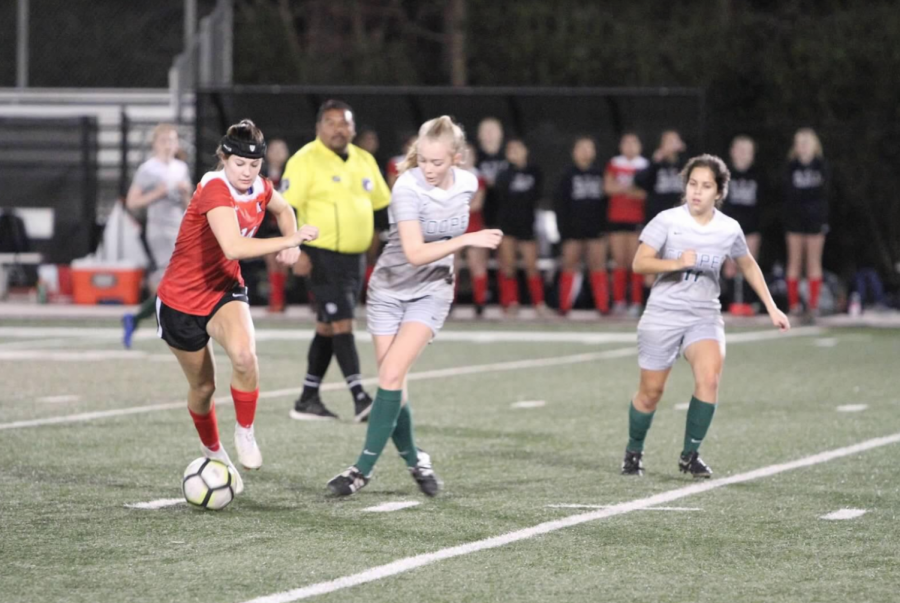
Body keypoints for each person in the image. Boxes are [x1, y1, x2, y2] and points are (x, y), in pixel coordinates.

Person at [326, 116, 503, 496]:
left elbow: (434, 255)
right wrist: (467, 240)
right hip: (388, 291)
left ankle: (361, 470)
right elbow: (415, 252)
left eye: (437, 162)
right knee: (395, 385)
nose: (429, 169)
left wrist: (463, 241)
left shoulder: (469, 183)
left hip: (432, 292)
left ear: (456, 158)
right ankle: (416, 460)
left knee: (390, 375)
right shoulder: (406, 187)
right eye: (423, 160)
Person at [155, 119, 319, 492]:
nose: (247, 173)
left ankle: (245, 431)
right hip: (180, 300)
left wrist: (291, 238)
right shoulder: (214, 188)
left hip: (224, 289)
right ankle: (212, 449)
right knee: (204, 388)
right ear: (224, 159)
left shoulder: (260, 186)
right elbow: (234, 247)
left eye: (254, 165)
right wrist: (287, 241)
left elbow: (283, 209)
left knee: (245, 357)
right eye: (239, 165)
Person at [620, 154, 789, 479]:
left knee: (709, 379)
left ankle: (690, 454)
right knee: (651, 392)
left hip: (704, 315)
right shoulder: (667, 220)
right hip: (663, 314)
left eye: (706, 186)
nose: (697, 191)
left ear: (719, 192)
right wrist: (675, 263)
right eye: (693, 184)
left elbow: (747, 263)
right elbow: (640, 263)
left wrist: (771, 307)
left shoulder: (728, 228)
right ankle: (634, 449)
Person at [282, 100, 391, 421]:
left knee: (328, 328)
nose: (338, 129)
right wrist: (295, 249)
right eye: (330, 122)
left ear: (353, 129)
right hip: (320, 256)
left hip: (354, 259)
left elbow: (381, 207)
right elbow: (283, 208)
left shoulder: (365, 160)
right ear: (319, 128)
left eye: (344, 123)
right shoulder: (304, 160)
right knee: (343, 322)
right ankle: (361, 398)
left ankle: (307, 398)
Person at [122, 124, 192, 348]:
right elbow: (132, 202)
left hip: (179, 228)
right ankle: (177, 325)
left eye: (172, 140)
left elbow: (188, 205)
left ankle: (135, 318)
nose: (169, 144)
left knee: (175, 283)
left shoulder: (181, 167)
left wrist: (183, 193)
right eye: (164, 140)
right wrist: (157, 193)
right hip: (160, 231)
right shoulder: (148, 169)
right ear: (155, 143)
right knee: (177, 280)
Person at [555, 136, 608, 315]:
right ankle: (564, 307)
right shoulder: (566, 175)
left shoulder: (601, 174)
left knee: (598, 266)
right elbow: (560, 205)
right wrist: (563, 231)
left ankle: (603, 307)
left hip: (596, 229)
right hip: (572, 230)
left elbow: (606, 203)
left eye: (589, 147)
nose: (585, 151)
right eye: (581, 148)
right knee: (569, 265)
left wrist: (604, 228)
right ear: (574, 152)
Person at [495, 137, 546, 315]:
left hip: (527, 224)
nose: (514, 153)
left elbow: (536, 195)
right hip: (507, 224)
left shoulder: (534, 171)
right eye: (511, 150)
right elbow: (501, 195)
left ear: (526, 151)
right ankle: (511, 303)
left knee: (532, 266)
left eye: (518, 148)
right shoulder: (503, 173)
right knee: (508, 266)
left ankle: (539, 303)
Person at [783, 128, 828, 317]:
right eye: (799, 143)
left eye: (806, 143)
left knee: (813, 262)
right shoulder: (791, 167)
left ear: (814, 145)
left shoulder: (821, 166)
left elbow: (826, 193)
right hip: (795, 218)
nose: (802, 147)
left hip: (815, 219)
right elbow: (787, 194)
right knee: (794, 261)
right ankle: (793, 306)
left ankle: (813, 305)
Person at [604, 132, 649, 316]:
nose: (630, 146)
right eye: (626, 142)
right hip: (616, 218)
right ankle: (619, 301)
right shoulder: (614, 164)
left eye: (633, 142)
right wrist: (629, 188)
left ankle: (636, 302)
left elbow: (644, 193)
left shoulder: (645, 165)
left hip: (637, 219)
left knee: (635, 262)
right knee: (619, 261)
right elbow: (608, 188)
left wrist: (622, 188)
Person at [721, 135, 763, 315]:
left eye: (747, 151)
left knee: (748, 264)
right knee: (730, 266)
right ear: (732, 152)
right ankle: (732, 302)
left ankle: (747, 301)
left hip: (751, 226)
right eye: (740, 150)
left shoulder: (758, 175)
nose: (743, 154)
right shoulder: (724, 174)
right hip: (730, 227)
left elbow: (762, 202)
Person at [454, 142, 489, 316]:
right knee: (451, 265)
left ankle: (480, 303)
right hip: (453, 226)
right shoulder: (449, 176)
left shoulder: (478, 177)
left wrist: (455, 208)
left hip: (473, 226)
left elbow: (477, 203)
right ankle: (449, 302)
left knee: (477, 264)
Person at [256, 139, 291, 313]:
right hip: (266, 225)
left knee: (283, 261)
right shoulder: (261, 174)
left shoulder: (291, 173)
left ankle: (281, 299)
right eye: (274, 150)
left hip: (283, 224)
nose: (277, 154)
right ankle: (275, 301)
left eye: (281, 150)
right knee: (271, 261)